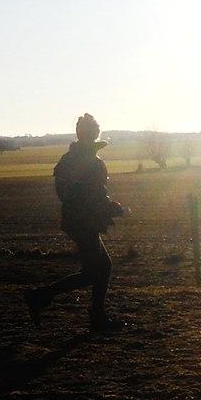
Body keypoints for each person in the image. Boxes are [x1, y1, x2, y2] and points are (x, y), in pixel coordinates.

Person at [24, 113, 130, 332]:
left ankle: (95, 314)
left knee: (103, 266)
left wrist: (108, 207)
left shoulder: (70, 160)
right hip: (85, 222)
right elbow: (94, 196)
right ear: (93, 134)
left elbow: (72, 193)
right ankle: (41, 296)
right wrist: (116, 209)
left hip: (78, 221)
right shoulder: (91, 161)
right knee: (92, 272)